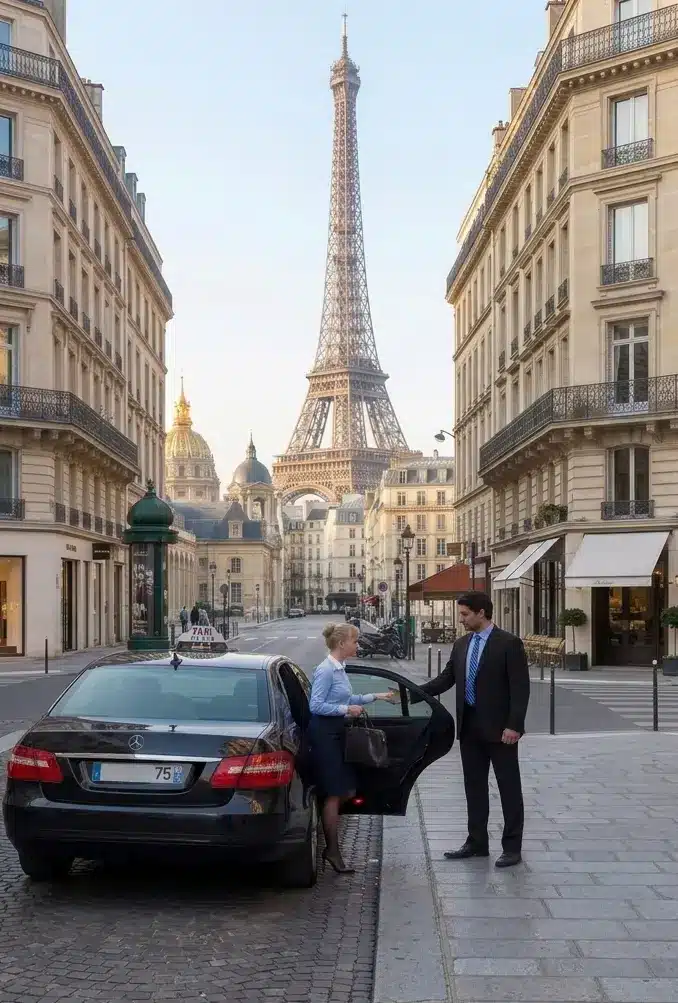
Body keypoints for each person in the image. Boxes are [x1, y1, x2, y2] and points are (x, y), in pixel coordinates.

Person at [412, 592, 529, 868]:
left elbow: (520, 689)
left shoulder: (509, 644)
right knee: (473, 787)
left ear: (481, 613)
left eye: (464, 614)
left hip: (501, 731)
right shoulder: (462, 644)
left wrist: (514, 726)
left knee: (508, 788)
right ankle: (477, 842)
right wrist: (412, 693)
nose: (460, 619)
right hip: (469, 727)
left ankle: (512, 847)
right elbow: (446, 679)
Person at [308, 622, 395, 874]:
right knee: (336, 792)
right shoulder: (325, 670)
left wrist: (374, 697)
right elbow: (316, 705)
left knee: (345, 791)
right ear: (341, 643)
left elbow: (346, 699)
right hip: (325, 736)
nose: (358, 645)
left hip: (336, 733)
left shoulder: (340, 668)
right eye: (355, 641)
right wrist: (346, 710)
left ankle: (329, 841)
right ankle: (332, 850)